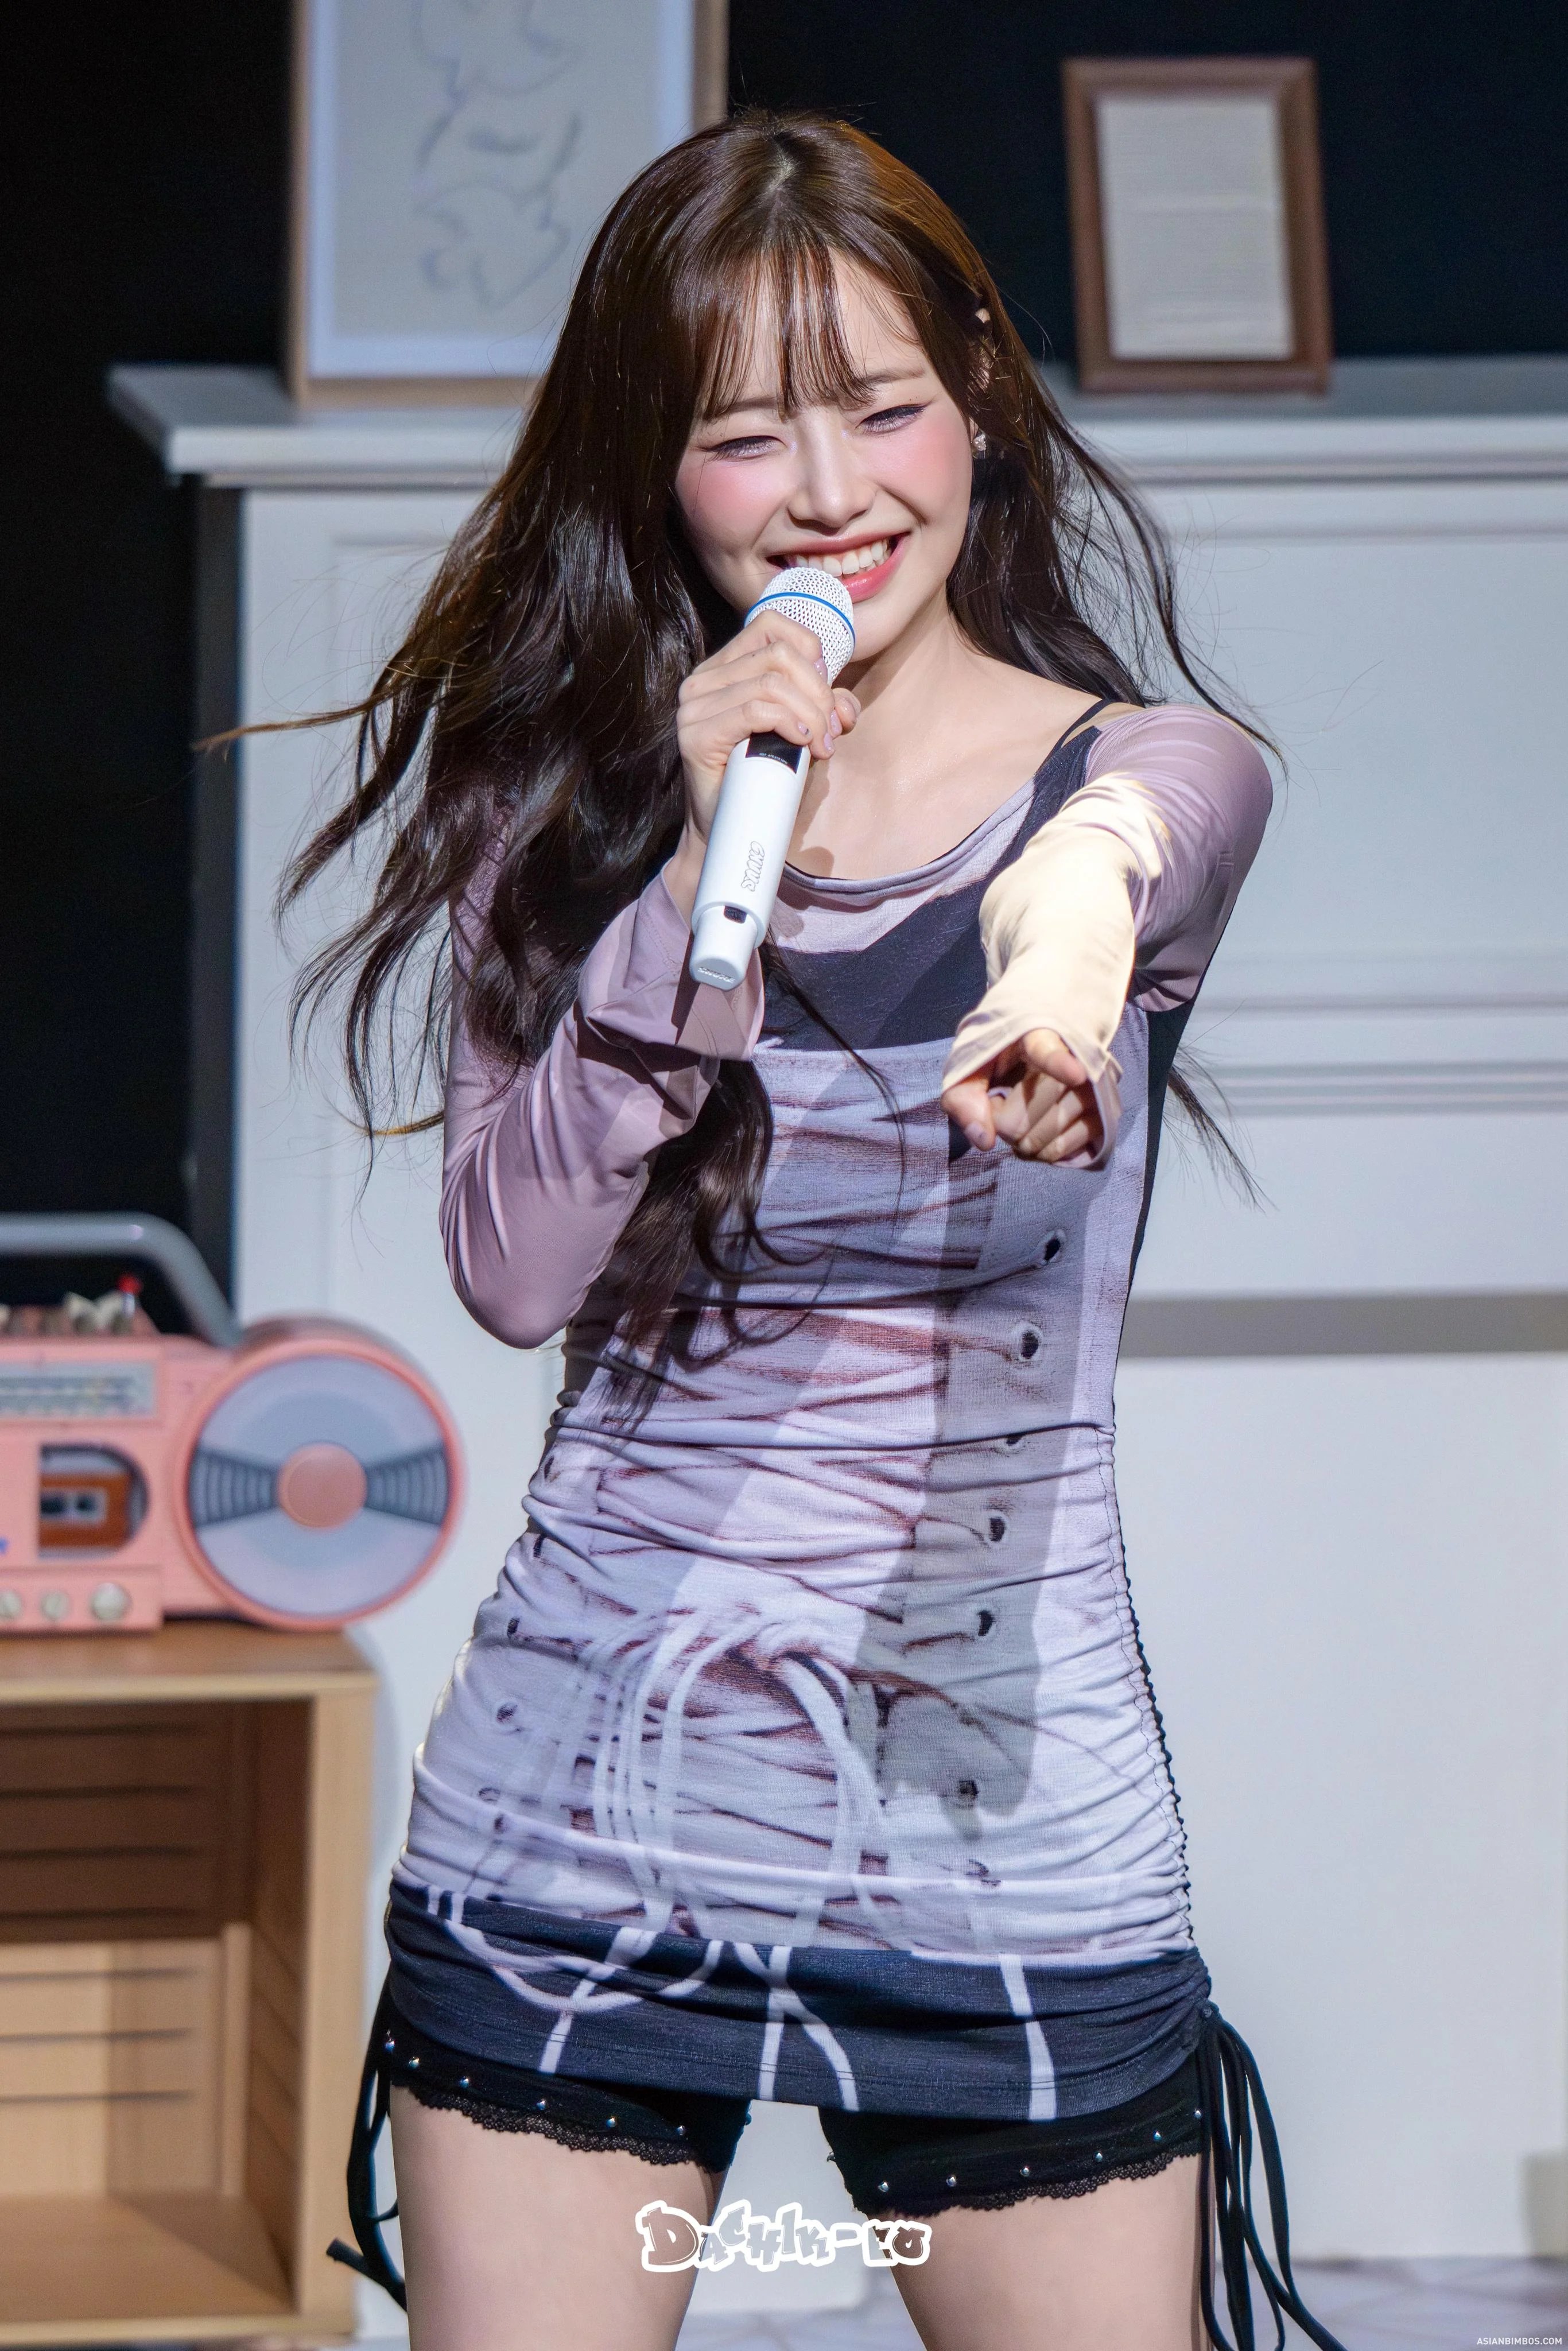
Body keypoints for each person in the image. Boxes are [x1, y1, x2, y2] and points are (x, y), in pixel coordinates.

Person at [290, 110, 1346, 2351]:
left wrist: (1056, 974)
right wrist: (691, 880)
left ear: (978, 394)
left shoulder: (1144, 774)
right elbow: (512, 1271)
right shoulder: (560, 812)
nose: (829, 491)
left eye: (878, 408)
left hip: (997, 1820)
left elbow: (1112, 874)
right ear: (657, 471)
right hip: (582, 1818)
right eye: (746, 436)